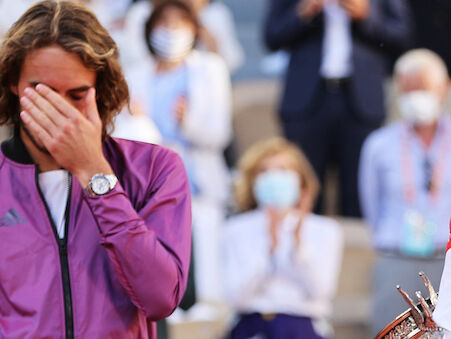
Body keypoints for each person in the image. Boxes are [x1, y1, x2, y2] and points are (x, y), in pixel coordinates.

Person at [0, 1, 192, 337]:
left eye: (77, 95)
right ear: (12, 83)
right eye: (43, 94)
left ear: (101, 89)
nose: (60, 113)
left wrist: (95, 174)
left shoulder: (155, 171)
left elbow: (160, 298)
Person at [114, 0, 231, 311]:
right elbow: (123, 138)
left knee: (205, 275)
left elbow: (219, 134)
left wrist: (187, 121)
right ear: (150, 30)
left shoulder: (211, 69)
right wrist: (140, 123)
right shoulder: (134, 75)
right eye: (163, 24)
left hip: (199, 182)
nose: (171, 31)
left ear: (194, 31)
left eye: (179, 24)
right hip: (149, 186)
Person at [264, 0, 412, 217]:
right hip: (307, 102)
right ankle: (302, 248)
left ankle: (358, 250)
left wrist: (367, 16)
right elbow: (272, 36)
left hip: (361, 103)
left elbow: (401, 36)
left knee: (359, 193)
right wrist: (303, 12)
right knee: (302, 189)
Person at [358, 49, 451, 335]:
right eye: (407, 89)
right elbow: (370, 205)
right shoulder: (379, 144)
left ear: (444, 87)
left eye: (422, 88)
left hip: (447, 259)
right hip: (396, 258)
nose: (415, 97)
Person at [223, 137, 343, 339]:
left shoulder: (325, 230)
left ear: (300, 179)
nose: (274, 177)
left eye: (283, 169)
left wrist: (298, 247)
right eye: (264, 171)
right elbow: (236, 297)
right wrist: (269, 249)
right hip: (252, 327)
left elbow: (321, 292)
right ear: (252, 181)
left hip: (302, 327)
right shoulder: (235, 229)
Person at [122, 0, 244, 72]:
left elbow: (232, 62)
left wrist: (208, 39)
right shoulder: (141, 11)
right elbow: (133, 59)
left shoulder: (215, 13)